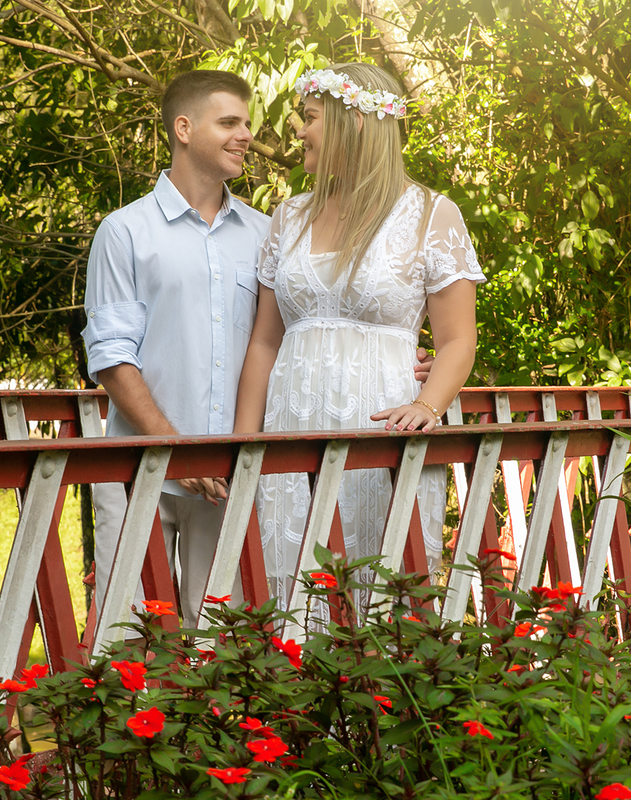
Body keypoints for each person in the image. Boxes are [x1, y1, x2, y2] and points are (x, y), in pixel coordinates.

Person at [83, 70, 433, 629]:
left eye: (247, 122)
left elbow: (296, 325)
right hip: (143, 466)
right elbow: (110, 356)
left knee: (221, 641)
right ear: (183, 128)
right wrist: (175, 445)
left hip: (230, 475)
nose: (247, 134)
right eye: (229, 122)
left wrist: (398, 360)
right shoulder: (125, 233)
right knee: (129, 639)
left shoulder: (269, 230)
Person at [234, 62, 486, 606]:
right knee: (288, 603)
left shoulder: (431, 216)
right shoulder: (289, 217)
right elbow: (263, 343)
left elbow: (458, 341)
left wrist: (427, 402)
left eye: (310, 117)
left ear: (358, 123)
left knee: (380, 602)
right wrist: (242, 447)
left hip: (380, 436)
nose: (298, 130)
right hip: (290, 431)